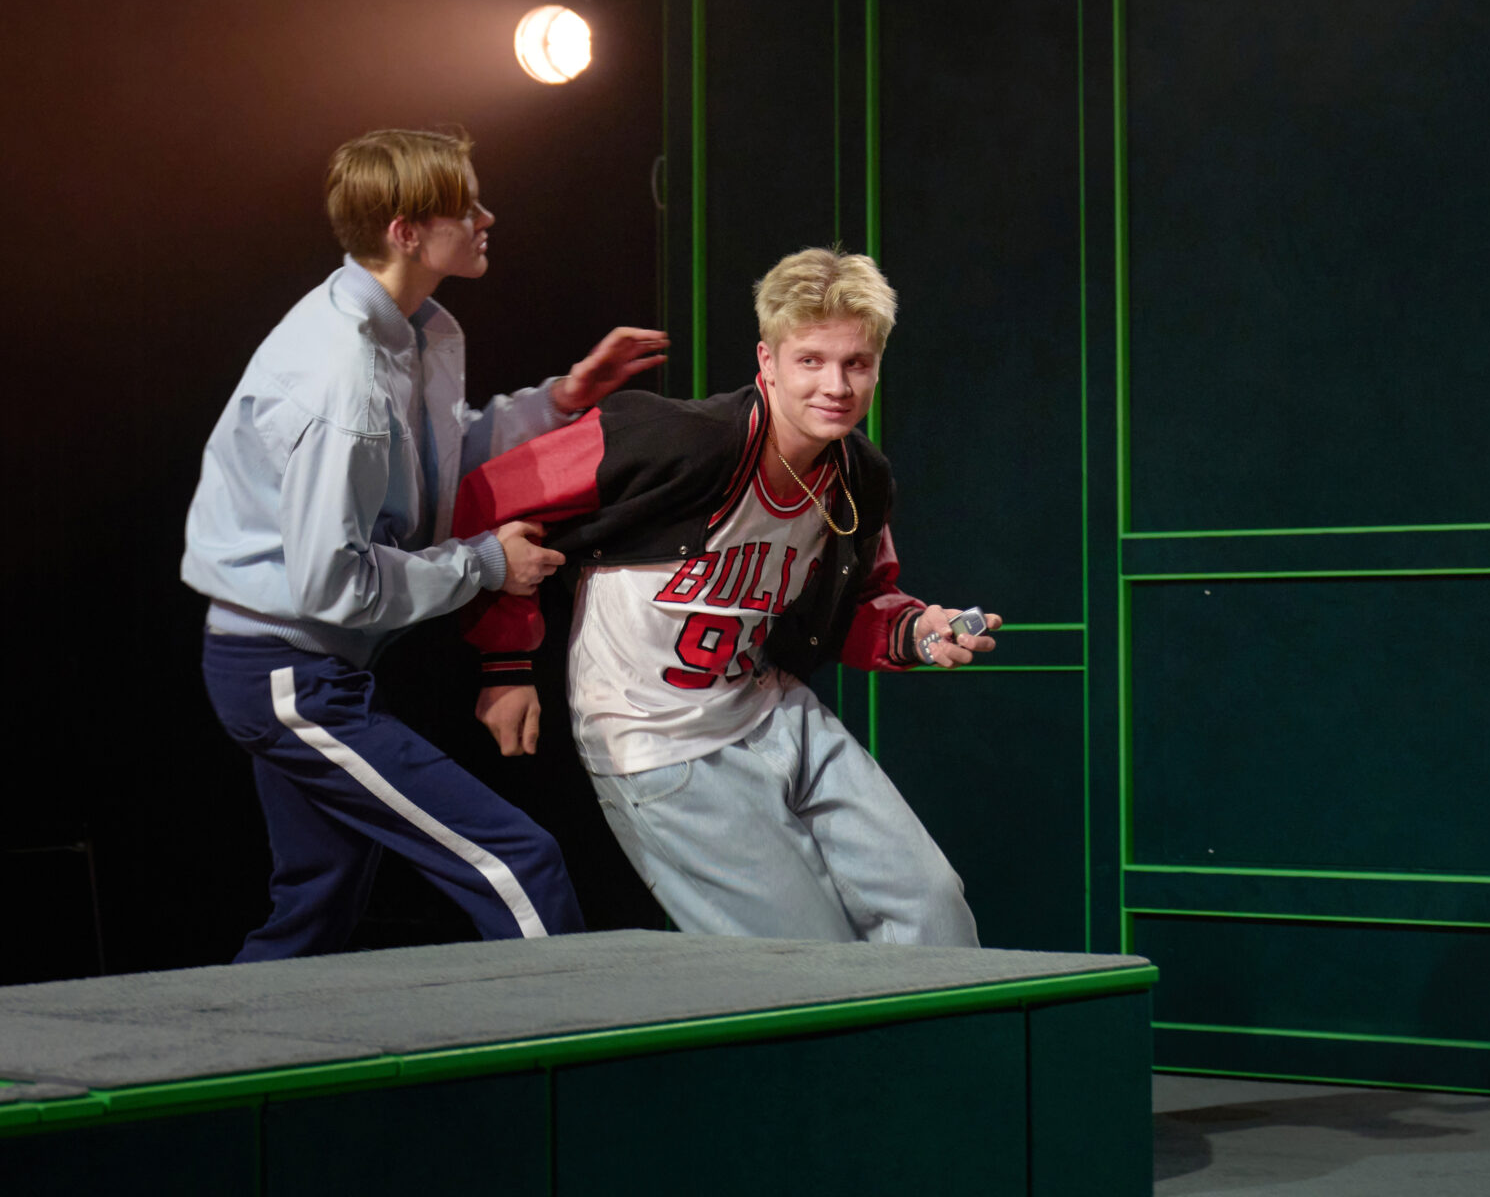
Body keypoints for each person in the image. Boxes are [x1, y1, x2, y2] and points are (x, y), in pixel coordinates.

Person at [183, 128, 668, 960]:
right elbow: (333, 584)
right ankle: (580, 1039)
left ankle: (217, 1050)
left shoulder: (408, 329)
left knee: (314, 910)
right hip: (285, 674)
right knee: (517, 863)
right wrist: (487, 564)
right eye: (464, 207)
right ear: (407, 232)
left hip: (306, 667)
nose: (487, 217)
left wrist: (559, 400)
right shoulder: (342, 377)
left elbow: (435, 464)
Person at [452, 248, 990, 945]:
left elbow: (861, 604)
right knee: (806, 958)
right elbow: (490, 495)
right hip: (657, 738)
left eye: (856, 363)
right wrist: (505, 662)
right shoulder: (674, 440)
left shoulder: (860, 477)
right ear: (768, 361)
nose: (836, 386)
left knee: (934, 909)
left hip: (772, 712)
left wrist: (916, 632)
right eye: (811, 361)